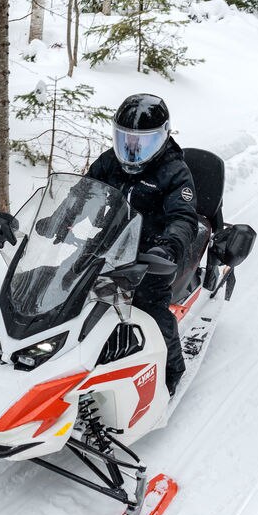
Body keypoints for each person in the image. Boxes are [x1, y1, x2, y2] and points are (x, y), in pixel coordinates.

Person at [86, 93, 197, 395]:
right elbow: (83, 192)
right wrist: (58, 219)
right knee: (69, 289)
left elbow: (183, 217)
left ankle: (172, 370)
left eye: (142, 142)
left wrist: (168, 246)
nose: (132, 149)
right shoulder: (110, 161)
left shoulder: (174, 171)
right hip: (108, 245)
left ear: (162, 138)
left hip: (150, 255)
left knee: (149, 308)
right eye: (126, 139)